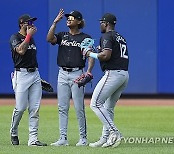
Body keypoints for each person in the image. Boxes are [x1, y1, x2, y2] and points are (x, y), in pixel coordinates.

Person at [46, 9, 94, 146]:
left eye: (72, 18)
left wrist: (88, 72)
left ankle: (83, 138)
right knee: (62, 107)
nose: (69, 19)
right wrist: (55, 23)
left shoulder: (85, 38)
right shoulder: (62, 35)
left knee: (79, 107)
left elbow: (90, 55)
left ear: (79, 21)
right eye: (68, 18)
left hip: (77, 73)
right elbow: (49, 39)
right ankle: (63, 138)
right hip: (62, 73)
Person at [84, 13, 129, 148]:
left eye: (101, 22)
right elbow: (110, 52)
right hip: (124, 74)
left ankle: (114, 132)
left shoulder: (107, 35)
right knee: (108, 108)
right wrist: (98, 49)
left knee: (95, 104)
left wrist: (89, 54)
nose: (100, 25)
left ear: (106, 23)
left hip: (113, 74)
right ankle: (105, 139)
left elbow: (106, 55)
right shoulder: (120, 37)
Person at [9, 14, 47, 146]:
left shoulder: (31, 39)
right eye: (29, 22)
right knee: (20, 108)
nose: (31, 24)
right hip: (22, 75)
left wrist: (38, 79)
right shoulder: (15, 37)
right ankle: (13, 132)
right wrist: (28, 36)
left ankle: (33, 139)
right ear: (22, 24)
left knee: (35, 108)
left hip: (34, 74)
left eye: (32, 22)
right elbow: (20, 51)